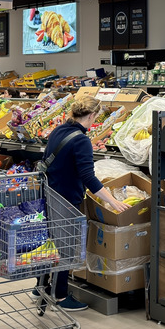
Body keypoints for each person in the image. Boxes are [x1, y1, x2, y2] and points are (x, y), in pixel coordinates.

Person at [37, 96, 129, 310]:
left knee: (51, 243)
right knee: (66, 247)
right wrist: (113, 202)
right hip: (66, 198)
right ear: (92, 115)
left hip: (50, 193)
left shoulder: (59, 130)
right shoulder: (81, 139)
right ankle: (60, 296)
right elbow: (88, 176)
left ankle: (40, 287)